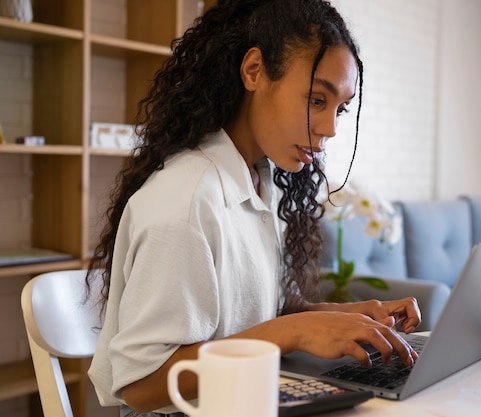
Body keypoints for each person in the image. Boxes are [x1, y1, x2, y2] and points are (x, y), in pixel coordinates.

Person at [86, 0, 421, 415]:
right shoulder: (186, 203)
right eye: (317, 99)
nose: (331, 129)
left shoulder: (259, 180)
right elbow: (142, 386)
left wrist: (343, 318)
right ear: (253, 71)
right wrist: (294, 330)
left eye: (340, 108)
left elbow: (248, 318)